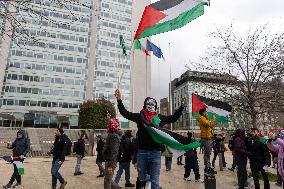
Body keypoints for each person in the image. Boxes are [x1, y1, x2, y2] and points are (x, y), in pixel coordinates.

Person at [115, 89, 185, 189]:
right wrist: (119, 100)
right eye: (148, 104)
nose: (150, 106)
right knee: (142, 177)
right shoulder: (140, 117)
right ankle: (148, 180)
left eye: (153, 104)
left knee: (155, 183)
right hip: (142, 153)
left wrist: (181, 106)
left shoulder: (159, 118)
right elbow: (125, 113)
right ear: (145, 105)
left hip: (155, 153)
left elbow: (173, 118)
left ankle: (153, 183)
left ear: (155, 106)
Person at [103, 114, 122, 189]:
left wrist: (111, 165)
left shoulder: (114, 136)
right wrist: (108, 118)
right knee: (108, 178)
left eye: (109, 124)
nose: (108, 125)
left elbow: (114, 152)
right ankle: (116, 187)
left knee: (107, 180)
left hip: (110, 161)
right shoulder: (112, 134)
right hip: (109, 159)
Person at [197, 108, 216, 174]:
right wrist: (213, 118)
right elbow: (209, 124)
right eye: (206, 112)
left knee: (208, 153)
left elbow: (210, 125)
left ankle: (208, 167)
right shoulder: (202, 118)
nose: (207, 113)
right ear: (203, 113)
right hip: (206, 138)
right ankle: (207, 168)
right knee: (207, 154)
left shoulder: (205, 119)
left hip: (208, 138)